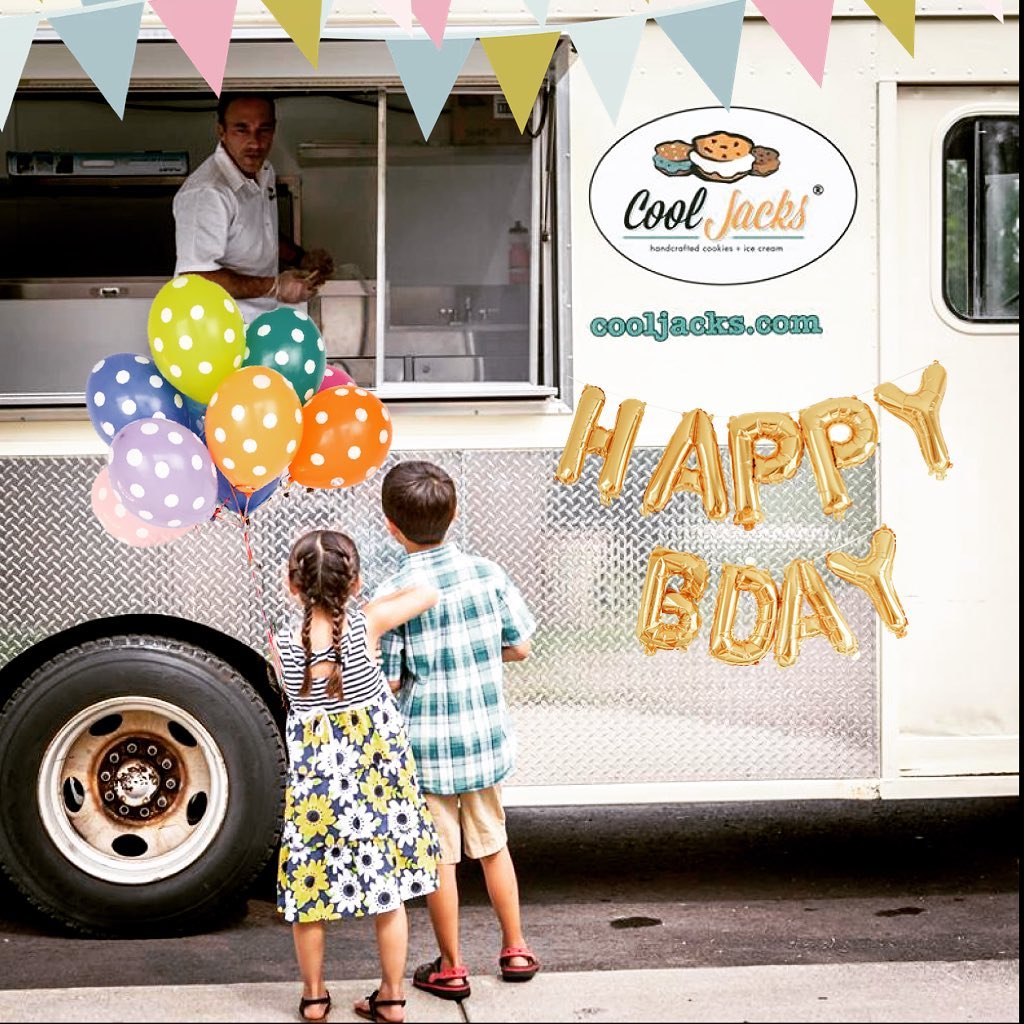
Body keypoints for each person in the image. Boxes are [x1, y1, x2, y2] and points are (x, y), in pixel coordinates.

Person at [375, 461, 540, 1003]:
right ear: (456, 514)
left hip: (426, 750)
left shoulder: (396, 592)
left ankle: (451, 965)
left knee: (440, 859)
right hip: (485, 741)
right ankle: (515, 947)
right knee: (494, 847)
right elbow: (519, 645)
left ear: (390, 525)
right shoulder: (488, 574)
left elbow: (392, 678)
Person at [275, 529, 442, 1024]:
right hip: (376, 792)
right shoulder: (368, 624)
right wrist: (369, 597)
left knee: (310, 897)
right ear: (355, 583)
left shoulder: (282, 643)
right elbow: (428, 593)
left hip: (317, 797)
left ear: (292, 585)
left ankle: (313, 997)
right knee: (386, 895)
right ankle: (390, 998)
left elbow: (300, 696)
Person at [173, 93, 334, 322]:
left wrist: (301, 258)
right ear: (221, 131)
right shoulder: (208, 192)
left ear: (274, 129)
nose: (255, 143)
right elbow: (197, 277)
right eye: (242, 129)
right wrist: (276, 287)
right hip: (213, 333)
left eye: (264, 129)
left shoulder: (264, 171)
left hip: (257, 322)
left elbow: (258, 228)